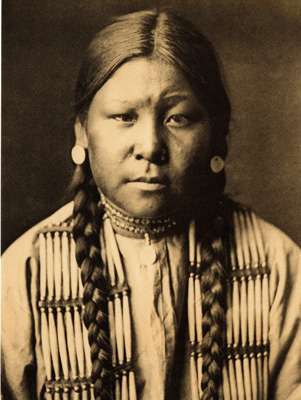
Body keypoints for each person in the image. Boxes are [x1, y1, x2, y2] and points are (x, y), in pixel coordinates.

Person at [2, 9, 301, 400]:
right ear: (83, 130)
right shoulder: (24, 274)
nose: (151, 147)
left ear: (216, 135)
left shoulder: (278, 268)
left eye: (178, 118)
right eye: (124, 116)